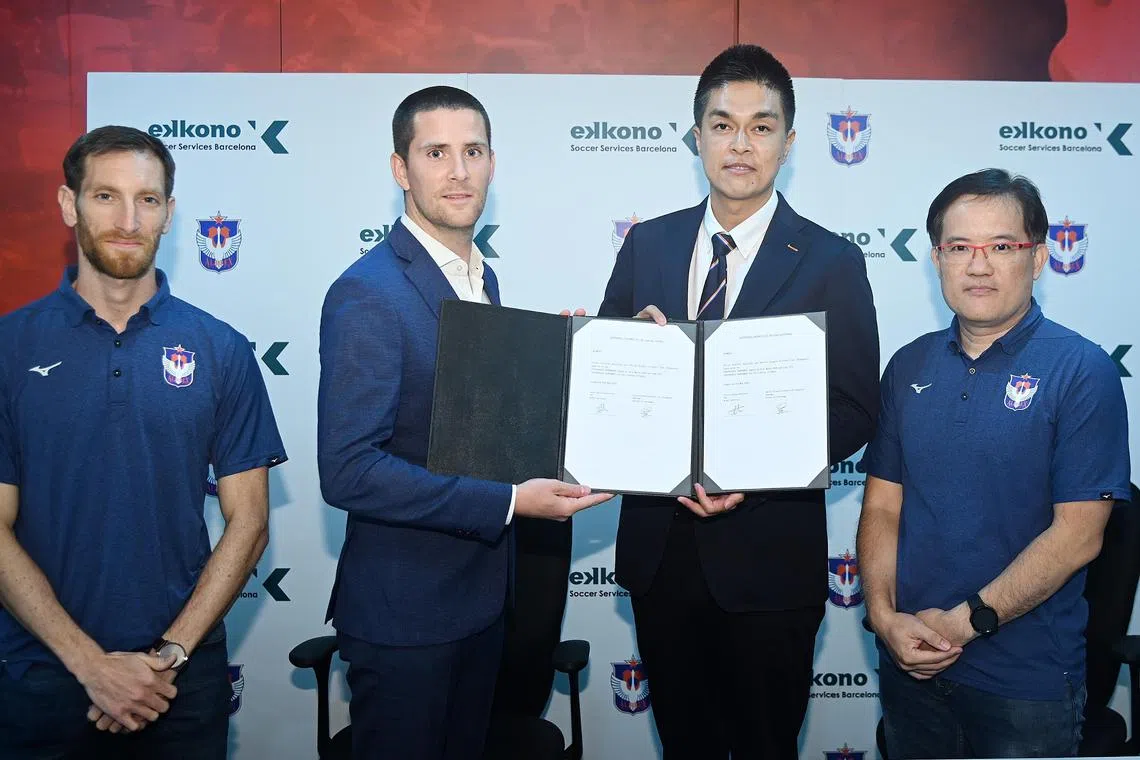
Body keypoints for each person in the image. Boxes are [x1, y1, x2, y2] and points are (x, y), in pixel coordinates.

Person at [597, 44, 880, 759]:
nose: (740, 144)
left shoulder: (830, 261)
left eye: (761, 126)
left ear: (788, 141)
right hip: (661, 553)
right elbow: (602, 382)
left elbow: (853, 408)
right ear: (696, 137)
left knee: (763, 746)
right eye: (722, 125)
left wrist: (752, 475)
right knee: (685, 746)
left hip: (769, 557)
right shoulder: (648, 246)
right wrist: (618, 353)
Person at [317, 85, 611, 760]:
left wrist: (565, 366)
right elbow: (349, 470)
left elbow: (472, 428)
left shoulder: (479, 280)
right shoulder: (369, 293)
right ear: (401, 169)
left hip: (479, 607)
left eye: (472, 151)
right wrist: (510, 502)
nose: (458, 170)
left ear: (492, 163)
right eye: (436, 152)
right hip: (406, 622)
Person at [0, 125, 287, 759]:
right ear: (68, 204)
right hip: (42, 674)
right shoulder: (9, 348)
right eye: (106, 196)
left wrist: (167, 655)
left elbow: (250, 523)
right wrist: (91, 665)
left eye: (148, 200)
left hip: (180, 681)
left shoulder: (222, 349)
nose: (129, 219)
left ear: (170, 212)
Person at [857, 168, 1130, 759]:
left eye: (1002, 247)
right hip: (911, 666)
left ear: (1037, 259)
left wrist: (958, 626)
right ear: (936, 259)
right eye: (959, 248)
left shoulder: (1082, 371)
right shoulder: (908, 367)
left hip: (1025, 683)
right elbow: (881, 504)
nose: (978, 266)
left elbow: (1079, 537)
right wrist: (883, 619)